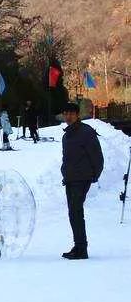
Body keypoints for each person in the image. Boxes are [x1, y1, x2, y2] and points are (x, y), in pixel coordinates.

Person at [60, 102, 104, 260]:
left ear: (77, 115)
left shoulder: (86, 132)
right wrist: (64, 172)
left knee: (76, 212)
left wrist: (94, 175)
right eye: (65, 113)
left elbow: (97, 156)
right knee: (74, 213)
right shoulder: (67, 135)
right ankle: (78, 246)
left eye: (71, 113)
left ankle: (81, 249)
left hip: (82, 178)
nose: (68, 116)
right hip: (70, 178)